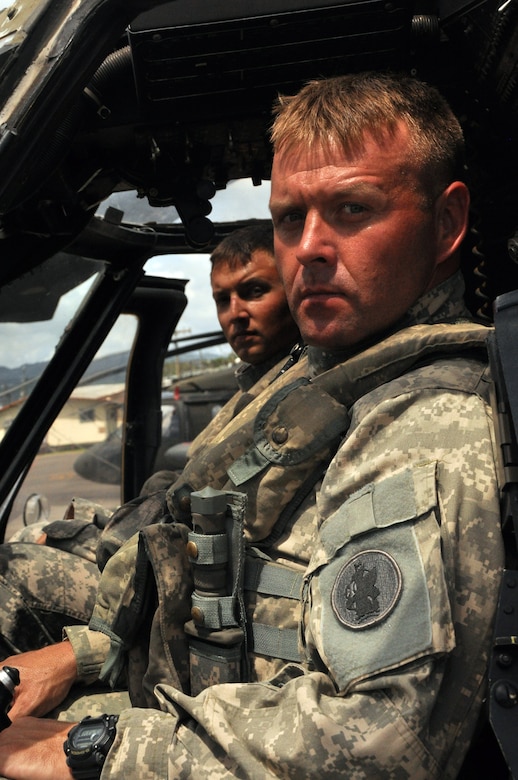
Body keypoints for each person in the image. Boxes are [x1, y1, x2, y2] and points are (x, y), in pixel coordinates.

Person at [0, 71, 504, 780]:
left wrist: (84, 747)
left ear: (447, 225)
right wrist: (85, 657)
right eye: (291, 218)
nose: (310, 248)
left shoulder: (426, 422)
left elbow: (377, 746)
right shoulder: (326, 375)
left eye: (353, 209)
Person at [0, 224, 300, 657]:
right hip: (170, 566)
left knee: (10, 570)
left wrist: (91, 535)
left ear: (294, 287)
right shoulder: (254, 391)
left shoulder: (290, 400)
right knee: (35, 531)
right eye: (222, 299)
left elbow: (204, 517)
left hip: (199, 597)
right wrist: (87, 523)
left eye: (253, 291)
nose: (235, 313)